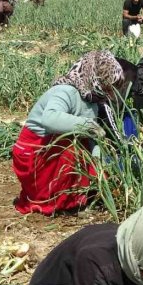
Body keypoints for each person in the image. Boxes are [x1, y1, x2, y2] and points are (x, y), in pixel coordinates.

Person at [11, 51, 126, 215]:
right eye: (107, 87)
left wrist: (98, 164)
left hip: (53, 149)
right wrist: (89, 125)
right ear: (94, 78)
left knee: (83, 148)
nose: (110, 94)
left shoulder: (92, 100)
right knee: (70, 145)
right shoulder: (65, 91)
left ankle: (75, 197)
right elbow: (50, 119)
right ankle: (58, 201)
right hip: (34, 151)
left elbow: (91, 138)